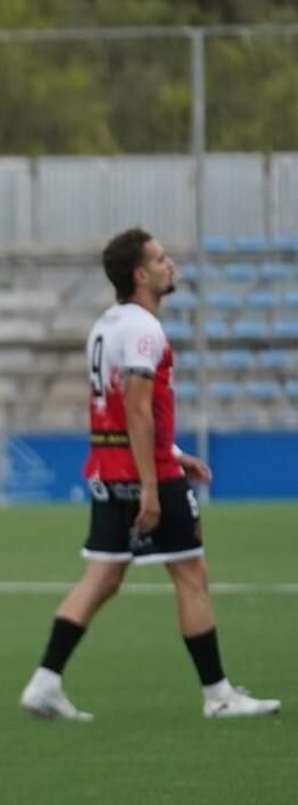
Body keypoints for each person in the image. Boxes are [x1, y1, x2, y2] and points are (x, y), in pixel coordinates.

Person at [17, 228, 280, 722]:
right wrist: (155, 484)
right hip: (142, 474)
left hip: (108, 466)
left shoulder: (105, 324)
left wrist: (174, 451)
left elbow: (119, 410)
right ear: (140, 274)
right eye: (160, 259)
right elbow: (137, 409)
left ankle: (45, 682)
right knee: (190, 572)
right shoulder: (144, 329)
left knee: (103, 576)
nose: (170, 264)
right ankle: (219, 695)